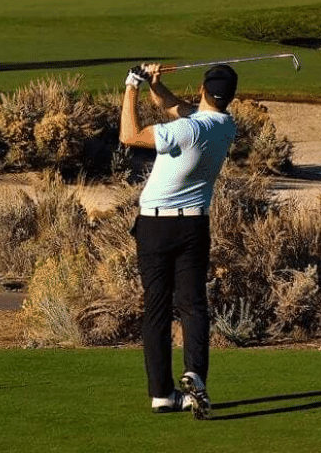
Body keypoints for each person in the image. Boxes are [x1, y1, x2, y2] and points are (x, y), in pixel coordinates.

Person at [119, 61, 238, 420]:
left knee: (156, 308)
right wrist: (156, 84)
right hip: (193, 228)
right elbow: (178, 109)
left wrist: (132, 85)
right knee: (192, 305)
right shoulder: (224, 125)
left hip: (155, 227)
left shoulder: (187, 129)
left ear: (202, 89)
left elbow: (129, 135)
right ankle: (195, 376)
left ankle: (160, 393)